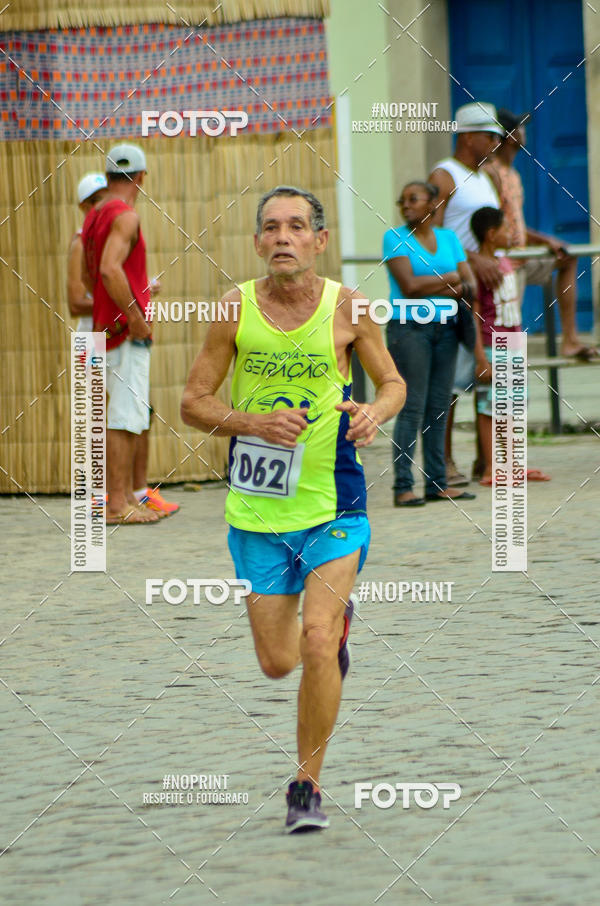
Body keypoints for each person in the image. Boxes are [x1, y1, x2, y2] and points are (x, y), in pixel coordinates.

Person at [181, 185, 406, 833]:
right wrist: (251, 421)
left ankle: (306, 785)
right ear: (257, 243)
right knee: (278, 661)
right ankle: (325, 638)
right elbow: (194, 403)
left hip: (336, 498)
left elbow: (392, 383)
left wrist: (372, 412)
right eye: (271, 227)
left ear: (319, 241)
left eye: (297, 227)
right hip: (257, 507)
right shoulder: (234, 310)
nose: (283, 236)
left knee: (315, 640)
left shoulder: (349, 308)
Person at [81, 143, 178, 525]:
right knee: (123, 418)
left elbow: (95, 276)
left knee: (115, 416)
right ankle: (117, 504)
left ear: (107, 178)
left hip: (102, 328)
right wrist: (135, 316)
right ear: (141, 178)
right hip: (123, 332)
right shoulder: (127, 217)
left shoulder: (94, 217)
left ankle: (115, 499)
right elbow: (109, 270)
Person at [383, 181, 477, 505]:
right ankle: (403, 487)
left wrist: (445, 285)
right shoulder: (394, 238)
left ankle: (437, 483)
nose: (406, 205)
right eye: (402, 200)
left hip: (447, 328)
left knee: (438, 408)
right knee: (412, 407)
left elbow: (469, 282)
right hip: (410, 329)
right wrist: (449, 280)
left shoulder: (449, 239)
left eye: (413, 199)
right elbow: (409, 286)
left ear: (432, 205)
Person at [428, 101, 505, 486]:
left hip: (487, 295)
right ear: (468, 136)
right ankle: (444, 461)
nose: (496, 142)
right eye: (489, 136)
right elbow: (436, 237)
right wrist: (472, 261)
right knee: (452, 379)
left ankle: (485, 460)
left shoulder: (485, 177)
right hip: (457, 289)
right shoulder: (445, 175)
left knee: (484, 373)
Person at [486, 108, 597, 360]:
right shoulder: (491, 173)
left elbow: (514, 226)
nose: (524, 133)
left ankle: (570, 340)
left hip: (523, 257)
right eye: (519, 128)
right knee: (507, 335)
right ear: (509, 136)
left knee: (568, 257)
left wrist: (547, 241)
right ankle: (499, 396)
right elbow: (495, 226)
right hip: (506, 266)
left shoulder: (512, 174)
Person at [470, 206, 550, 484]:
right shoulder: (478, 268)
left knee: (514, 406)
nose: (511, 233)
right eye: (506, 228)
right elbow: (474, 313)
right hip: (492, 345)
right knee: (489, 407)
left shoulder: (505, 261)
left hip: (513, 344)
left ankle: (514, 463)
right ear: (492, 234)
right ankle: (492, 468)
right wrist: (481, 358)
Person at [67, 173, 107, 330]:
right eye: (95, 200)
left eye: (107, 197)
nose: (103, 204)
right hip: (89, 336)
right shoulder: (81, 244)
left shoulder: (111, 238)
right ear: (82, 206)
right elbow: (76, 304)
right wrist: (123, 303)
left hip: (113, 334)